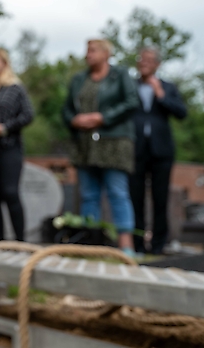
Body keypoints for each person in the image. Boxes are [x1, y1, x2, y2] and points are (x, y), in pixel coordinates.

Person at [62, 39, 139, 255]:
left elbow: (131, 102)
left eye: (93, 50)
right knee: (88, 194)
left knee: (117, 192)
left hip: (114, 142)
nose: (88, 54)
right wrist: (74, 120)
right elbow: (66, 109)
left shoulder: (120, 75)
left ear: (106, 54)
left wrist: (103, 117)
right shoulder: (79, 79)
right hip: (85, 144)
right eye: (87, 50)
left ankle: (126, 245)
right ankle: (91, 242)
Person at [130, 47, 187, 254]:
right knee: (135, 198)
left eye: (149, 60)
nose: (144, 62)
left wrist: (161, 95)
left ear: (157, 64)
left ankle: (158, 245)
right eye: (141, 59)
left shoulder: (168, 87)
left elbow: (181, 112)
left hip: (161, 151)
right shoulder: (130, 86)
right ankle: (137, 244)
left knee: (160, 198)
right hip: (136, 149)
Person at [0, 49, 34, 241]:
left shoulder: (15, 88)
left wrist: (4, 128)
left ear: (4, 64)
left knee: (10, 192)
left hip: (9, 147)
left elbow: (28, 115)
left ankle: (20, 240)